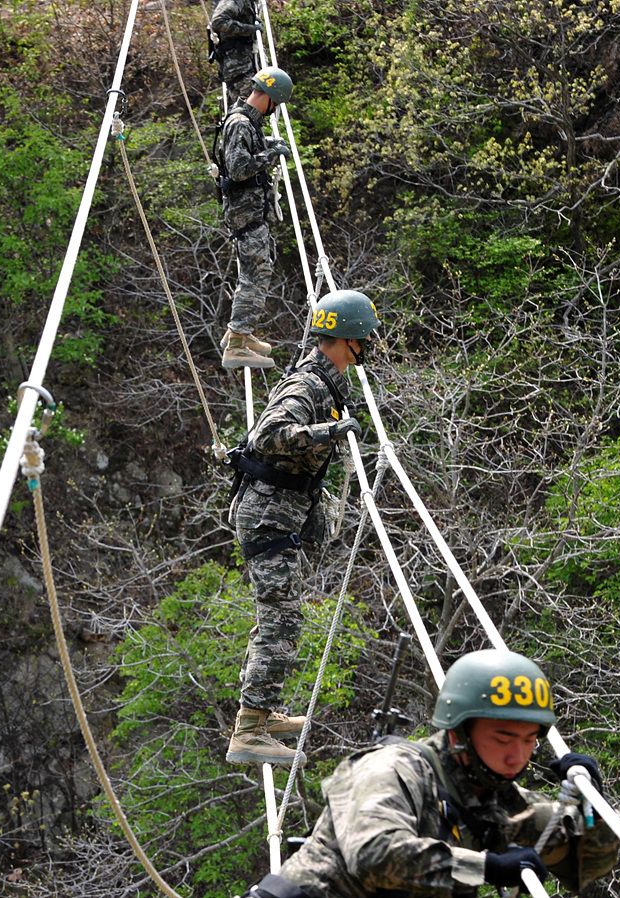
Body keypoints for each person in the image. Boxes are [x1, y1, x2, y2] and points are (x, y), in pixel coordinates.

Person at [244, 649, 620, 896]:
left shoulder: (493, 800)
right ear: (459, 731)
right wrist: (486, 867)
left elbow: (585, 864)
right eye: (504, 738)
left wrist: (593, 804)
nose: (516, 757)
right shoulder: (393, 768)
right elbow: (374, 853)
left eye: (529, 741)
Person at [226, 290, 380, 765]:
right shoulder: (306, 388)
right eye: (365, 336)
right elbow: (269, 435)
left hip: (280, 514)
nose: (371, 343)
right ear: (350, 339)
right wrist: (328, 432)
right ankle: (249, 732)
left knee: (279, 614)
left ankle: (262, 711)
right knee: (283, 618)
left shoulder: (326, 377)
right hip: (267, 517)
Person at [215, 66, 294, 369]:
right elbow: (238, 168)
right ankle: (237, 341)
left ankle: (240, 334)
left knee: (253, 271)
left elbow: (242, 155)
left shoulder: (246, 121)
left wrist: (268, 147)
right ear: (271, 99)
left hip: (246, 212)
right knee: (257, 273)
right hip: (245, 214)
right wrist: (269, 156)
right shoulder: (240, 123)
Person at [209, 0, 260, 101]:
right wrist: (252, 29)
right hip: (239, 69)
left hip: (242, 67)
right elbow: (218, 21)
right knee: (246, 110)